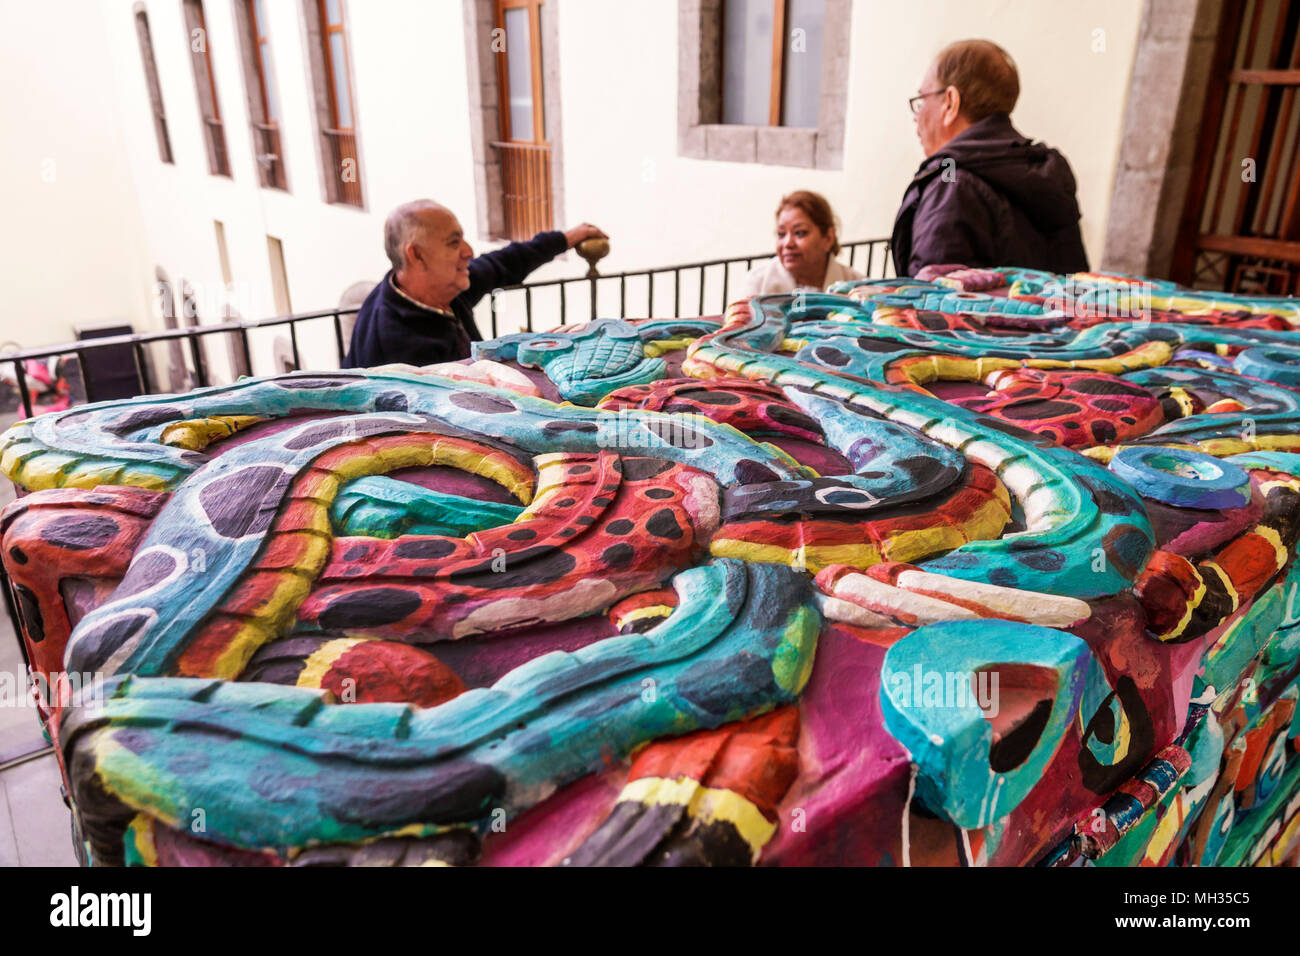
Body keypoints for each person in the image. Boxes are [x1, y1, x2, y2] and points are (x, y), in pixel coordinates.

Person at [891, 39, 1089, 278]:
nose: (917, 115)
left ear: (950, 103)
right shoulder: (1042, 171)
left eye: (923, 99)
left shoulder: (950, 179)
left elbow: (934, 303)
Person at [343, 200, 606, 368]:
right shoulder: (400, 349)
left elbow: (504, 263)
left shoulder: (441, 290)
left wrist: (565, 239)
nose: (468, 251)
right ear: (416, 254)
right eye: (453, 242)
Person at [742, 191, 864, 295]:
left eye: (800, 233)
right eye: (781, 234)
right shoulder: (757, 284)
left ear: (828, 238)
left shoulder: (859, 287)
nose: (788, 243)